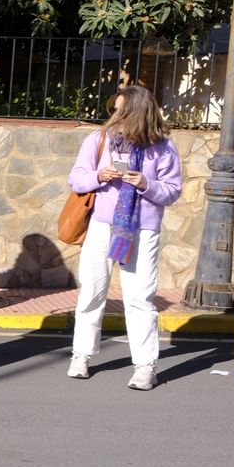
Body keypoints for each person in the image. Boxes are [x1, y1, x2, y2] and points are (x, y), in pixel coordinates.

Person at [65, 86, 182, 390]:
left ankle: (145, 366)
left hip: (142, 229)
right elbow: (76, 178)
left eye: (121, 111)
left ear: (139, 113)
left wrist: (146, 183)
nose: (115, 117)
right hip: (103, 226)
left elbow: (172, 191)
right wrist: (99, 176)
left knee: (139, 297)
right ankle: (81, 355)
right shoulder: (99, 140)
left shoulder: (164, 148)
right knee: (92, 292)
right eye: (114, 110)